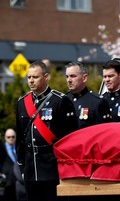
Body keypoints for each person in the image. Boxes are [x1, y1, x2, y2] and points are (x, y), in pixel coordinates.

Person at [16, 61, 78, 201]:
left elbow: (69, 138)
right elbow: (20, 137)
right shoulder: (22, 103)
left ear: (46, 77)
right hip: (31, 168)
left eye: (35, 77)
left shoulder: (60, 101)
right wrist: (22, 166)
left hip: (51, 167)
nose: (31, 81)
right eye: (29, 77)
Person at [65, 61, 111, 129]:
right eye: (67, 76)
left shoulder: (97, 102)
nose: (69, 80)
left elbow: (103, 132)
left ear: (84, 78)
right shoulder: (63, 100)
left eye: (73, 76)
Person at [0, 128, 26, 201]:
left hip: (21, 181)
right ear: (5, 138)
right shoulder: (2, 148)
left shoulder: (19, 147)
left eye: (13, 137)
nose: (11, 139)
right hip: (8, 182)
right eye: (8, 137)